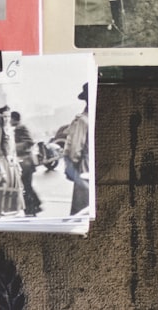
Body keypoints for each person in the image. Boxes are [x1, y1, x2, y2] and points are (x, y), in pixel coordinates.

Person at [64, 84, 91, 216]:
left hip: (85, 172)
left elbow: (74, 151)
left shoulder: (83, 121)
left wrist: (71, 167)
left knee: (80, 214)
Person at [11, 111, 42, 216]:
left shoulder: (21, 128)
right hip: (24, 162)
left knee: (26, 186)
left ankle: (32, 208)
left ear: (14, 119)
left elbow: (29, 142)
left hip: (26, 161)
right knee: (26, 186)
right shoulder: (17, 128)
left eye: (10, 119)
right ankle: (35, 204)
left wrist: (13, 147)